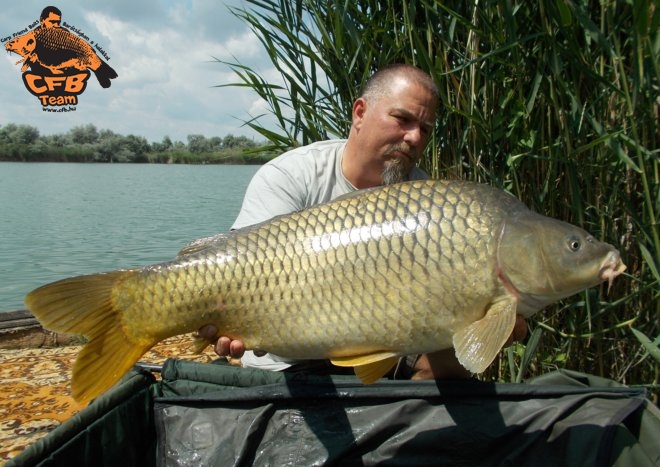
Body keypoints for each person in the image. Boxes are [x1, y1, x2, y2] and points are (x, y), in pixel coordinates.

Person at [198, 64, 527, 379]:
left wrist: (486, 321)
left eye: (425, 129)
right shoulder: (291, 175)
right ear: (359, 113)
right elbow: (239, 268)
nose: (414, 137)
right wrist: (224, 319)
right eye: (402, 119)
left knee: (450, 364)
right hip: (290, 356)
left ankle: (404, 425)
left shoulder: (426, 198)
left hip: (382, 340)